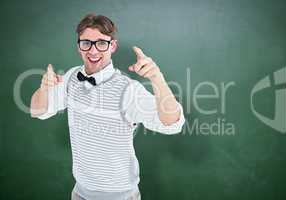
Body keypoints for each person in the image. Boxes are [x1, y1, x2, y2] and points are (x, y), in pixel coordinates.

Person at [30, 14, 185, 200]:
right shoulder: (71, 77)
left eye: (101, 43)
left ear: (113, 46)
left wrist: (157, 78)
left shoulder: (128, 89)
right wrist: (43, 89)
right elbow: (37, 111)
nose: (93, 51)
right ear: (78, 46)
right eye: (86, 43)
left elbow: (172, 124)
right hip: (80, 193)